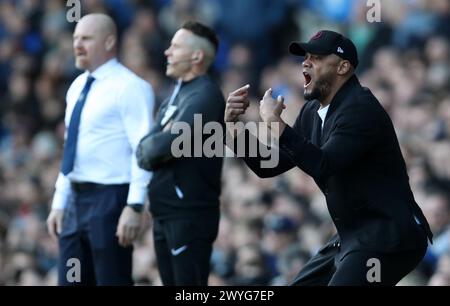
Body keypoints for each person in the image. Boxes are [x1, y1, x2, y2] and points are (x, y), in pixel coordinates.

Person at [224, 30, 434, 286]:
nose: (305, 62)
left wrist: (276, 125)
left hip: (389, 237)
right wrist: (233, 127)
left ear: (343, 67)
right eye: (305, 57)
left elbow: (324, 165)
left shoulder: (360, 109)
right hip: (353, 236)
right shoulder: (313, 110)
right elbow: (270, 165)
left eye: (317, 57)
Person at [46, 14, 154, 285]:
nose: (77, 45)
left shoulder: (130, 87)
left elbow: (143, 150)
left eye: (86, 38)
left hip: (111, 199)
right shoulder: (77, 87)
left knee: (111, 281)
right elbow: (71, 148)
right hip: (75, 200)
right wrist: (60, 200)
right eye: (75, 39)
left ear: (109, 41)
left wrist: (135, 204)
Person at [136, 21, 225, 286]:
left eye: (175, 47)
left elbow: (162, 146)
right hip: (165, 213)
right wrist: (156, 143)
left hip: (189, 215)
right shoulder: (177, 95)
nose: (167, 52)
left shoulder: (205, 96)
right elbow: (144, 149)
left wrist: (159, 142)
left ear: (197, 56)